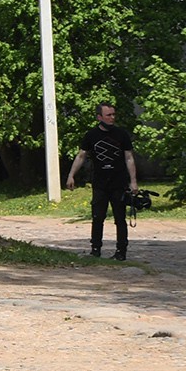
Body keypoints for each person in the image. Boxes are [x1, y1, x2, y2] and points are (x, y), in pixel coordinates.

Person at [65, 102, 139, 259]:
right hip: (99, 182)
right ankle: (95, 249)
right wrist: (71, 175)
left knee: (120, 218)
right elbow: (81, 156)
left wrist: (133, 182)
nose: (112, 118)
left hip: (119, 182)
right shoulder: (91, 135)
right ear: (99, 117)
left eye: (113, 114)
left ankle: (121, 251)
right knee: (98, 217)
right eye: (108, 115)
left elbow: (129, 158)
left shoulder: (122, 134)